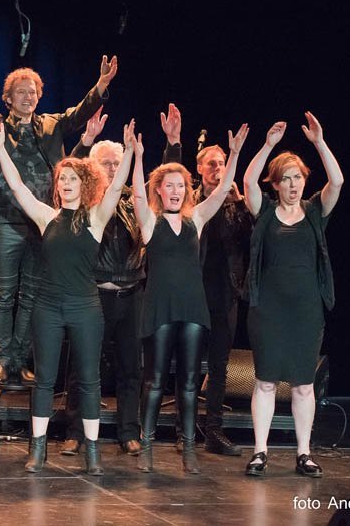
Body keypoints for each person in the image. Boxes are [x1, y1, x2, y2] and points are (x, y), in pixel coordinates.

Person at [0, 52, 116, 383]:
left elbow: (80, 112)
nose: (28, 97)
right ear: (8, 98)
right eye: (21, 92)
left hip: (44, 223)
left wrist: (101, 83)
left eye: (33, 92)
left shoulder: (51, 125)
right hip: (5, 219)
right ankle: (3, 360)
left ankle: (20, 361)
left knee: (31, 294)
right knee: (4, 293)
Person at [0, 114, 134, 476]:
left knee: (89, 380)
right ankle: (37, 448)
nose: (66, 183)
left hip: (85, 308)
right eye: (62, 179)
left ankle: (93, 452)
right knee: (45, 379)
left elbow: (117, 188)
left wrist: (131, 151)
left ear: (84, 184)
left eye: (72, 179)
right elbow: (17, 185)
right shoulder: (46, 217)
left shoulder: (96, 218)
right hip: (48, 307)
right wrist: (0, 147)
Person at [60, 105, 183, 459]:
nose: (113, 169)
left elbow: (164, 183)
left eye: (117, 163)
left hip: (132, 292)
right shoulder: (84, 203)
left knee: (132, 368)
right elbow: (69, 172)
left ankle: (129, 432)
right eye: (106, 164)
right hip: (95, 294)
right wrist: (85, 143)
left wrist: (173, 144)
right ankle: (75, 433)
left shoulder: (134, 200)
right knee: (83, 367)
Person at [131, 121, 249, 474]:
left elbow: (224, 188)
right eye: (169, 185)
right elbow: (137, 196)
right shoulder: (151, 221)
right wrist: (137, 156)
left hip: (193, 309)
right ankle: (147, 444)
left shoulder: (196, 218)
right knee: (154, 381)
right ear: (160, 190)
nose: (176, 191)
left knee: (188, 383)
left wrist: (236, 154)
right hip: (160, 308)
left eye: (181, 185)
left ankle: (188, 449)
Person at [241, 113, 343, 478]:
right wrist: (268, 144)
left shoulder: (315, 212)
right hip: (268, 310)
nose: (293, 184)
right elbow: (247, 181)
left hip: (306, 311)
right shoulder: (265, 212)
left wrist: (319, 142)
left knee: (303, 384)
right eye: (285, 178)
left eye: (297, 177)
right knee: (266, 380)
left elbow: (337, 181)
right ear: (276, 184)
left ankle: (304, 453)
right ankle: (260, 451)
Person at [193, 143, 253, 456]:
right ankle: (184, 429)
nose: (217, 170)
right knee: (189, 364)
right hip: (193, 293)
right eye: (212, 164)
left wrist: (240, 202)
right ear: (200, 168)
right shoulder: (190, 200)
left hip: (226, 293)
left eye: (222, 164)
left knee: (219, 367)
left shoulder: (235, 206)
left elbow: (252, 239)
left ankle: (214, 430)